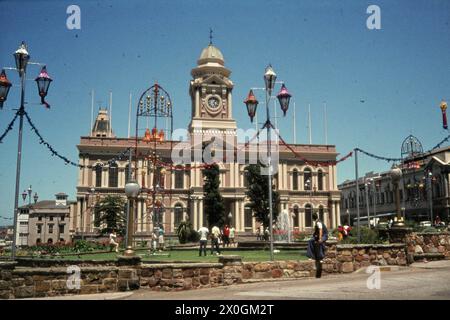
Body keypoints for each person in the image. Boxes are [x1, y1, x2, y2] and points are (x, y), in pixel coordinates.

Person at [306, 213, 328, 278]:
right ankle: (312, 256)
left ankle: (321, 257)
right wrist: (314, 236)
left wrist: (320, 238)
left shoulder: (318, 222)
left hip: (324, 235)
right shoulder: (317, 222)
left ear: (313, 218)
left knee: (319, 242)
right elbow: (317, 231)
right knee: (311, 241)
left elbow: (321, 231)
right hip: (320, 235)